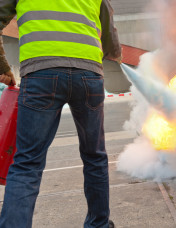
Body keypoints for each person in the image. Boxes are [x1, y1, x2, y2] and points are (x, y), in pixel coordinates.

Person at [0, 0, 122, 227]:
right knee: (94, 156)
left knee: (27, 163)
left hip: (40, 74)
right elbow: (110, 36)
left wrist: (1, 66)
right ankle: (99, 224)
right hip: (88, 75)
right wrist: (113, 53)